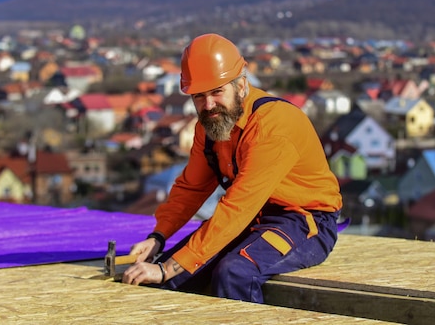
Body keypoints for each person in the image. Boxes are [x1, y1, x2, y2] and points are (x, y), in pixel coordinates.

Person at [122, 33, 343, 303]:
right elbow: (192, 187)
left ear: (241, 85)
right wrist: (158, 236)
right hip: (253, 218)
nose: (208, 104)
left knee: (235, 273)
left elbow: (239, 207)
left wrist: (167, 268)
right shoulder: (211, 125)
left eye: (217, 91)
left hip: (303, 221)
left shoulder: (272, 127)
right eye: (199, 96)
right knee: (169, 277)